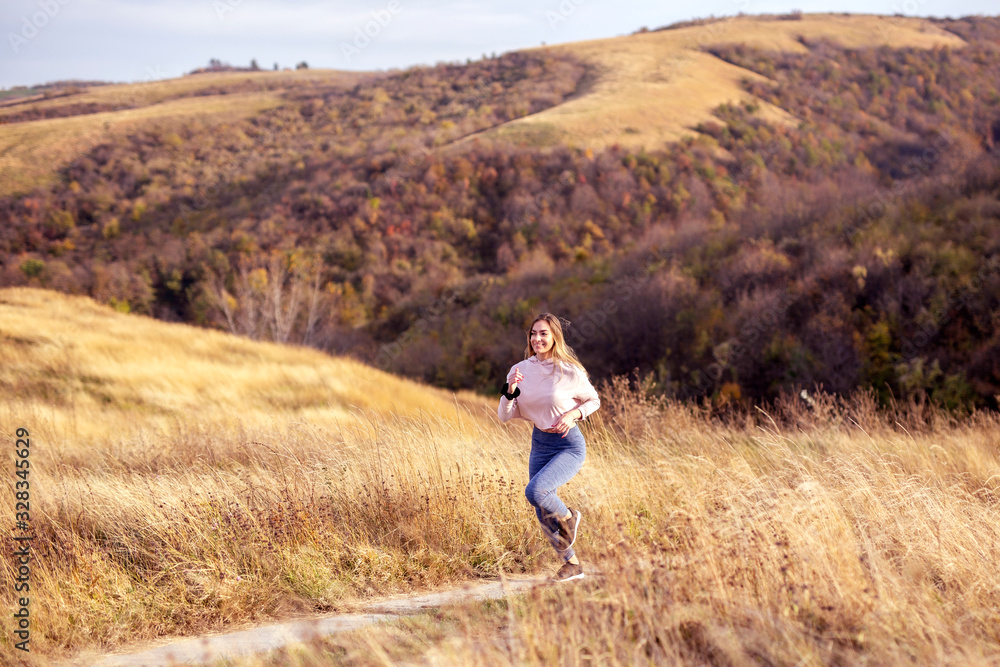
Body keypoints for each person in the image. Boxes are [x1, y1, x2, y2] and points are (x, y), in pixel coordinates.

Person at [497, 313, 601, 582]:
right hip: (540, 443)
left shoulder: (569, 370)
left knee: (536, 490)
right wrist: (510, 390)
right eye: (533, 333)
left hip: (568, 445)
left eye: (543, 333)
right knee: (540, 506)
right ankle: (572, 565)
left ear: (555, 336)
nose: (537, 339)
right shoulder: (519, 370)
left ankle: (569, 516)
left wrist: (573, 415)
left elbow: (593, 400)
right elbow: (505, 415)